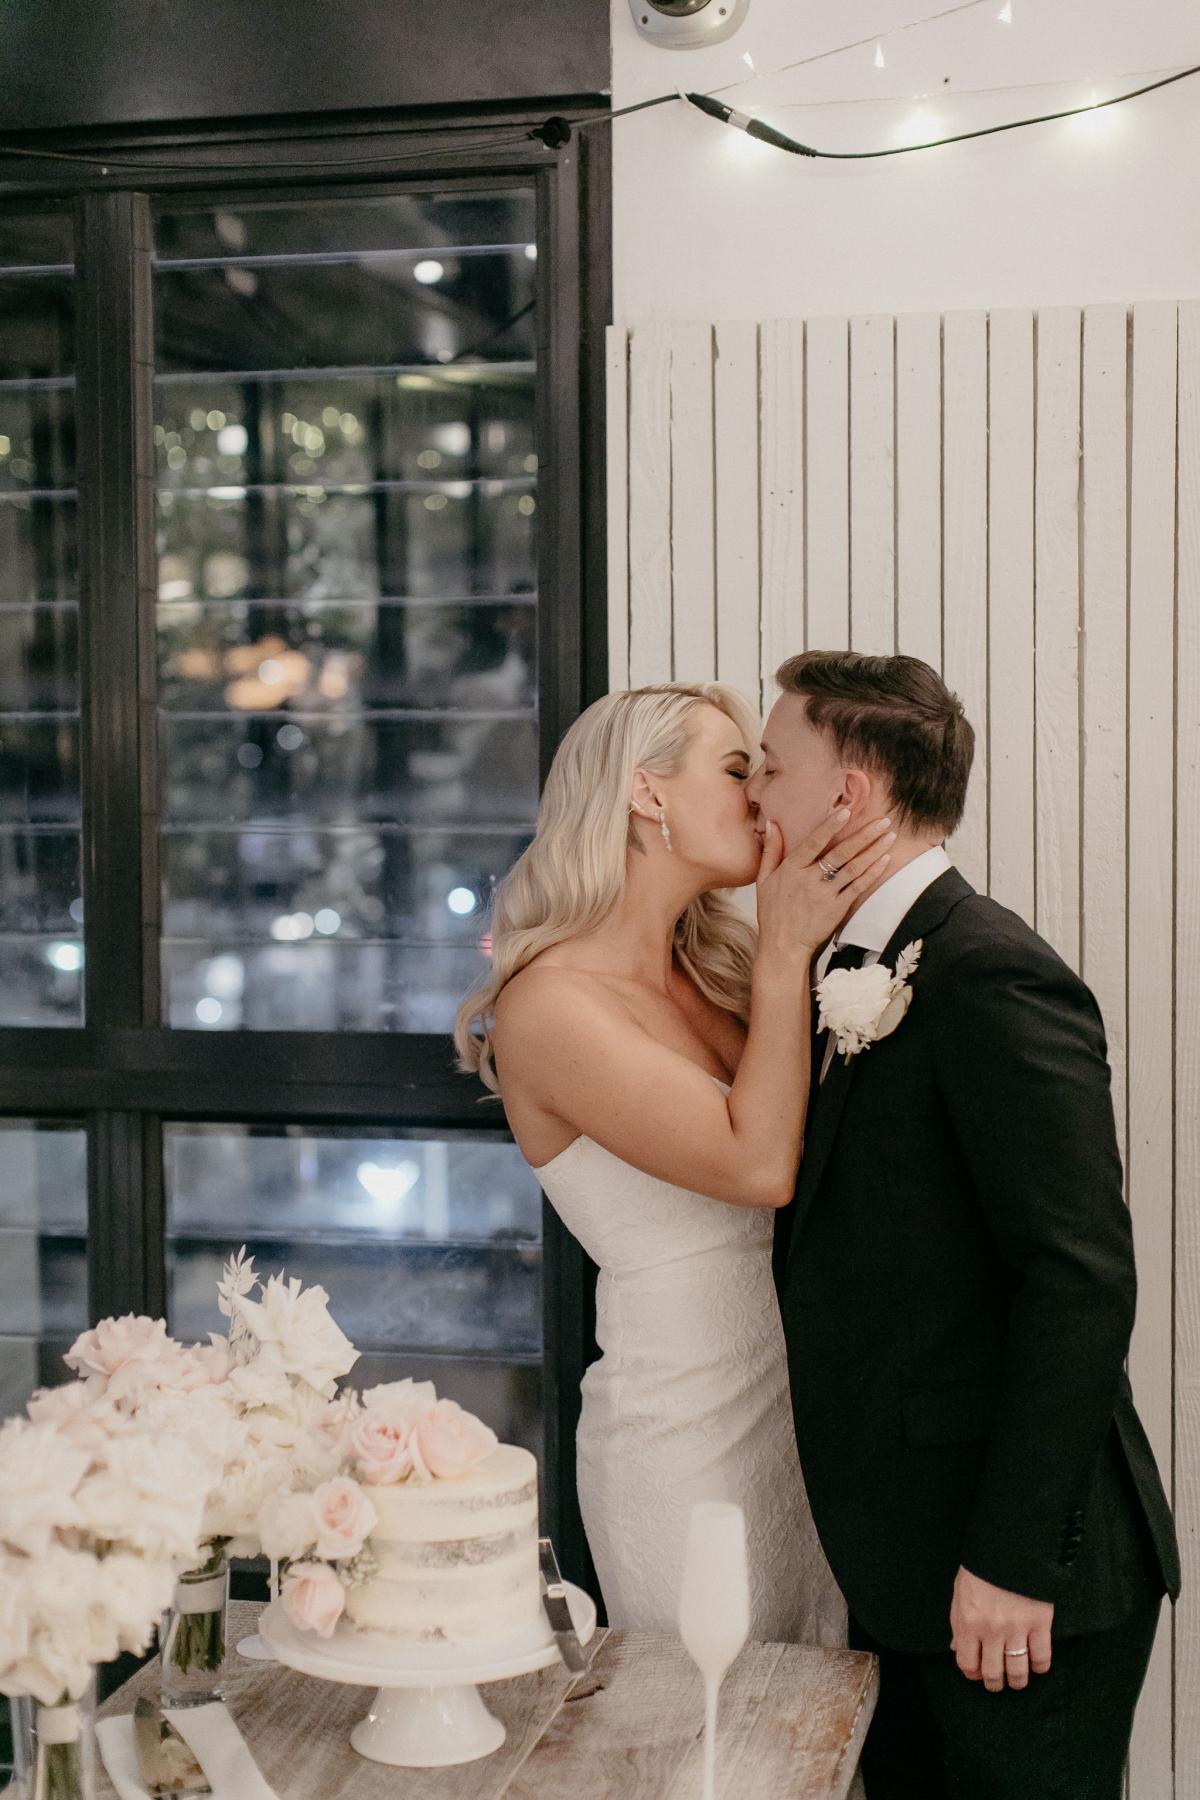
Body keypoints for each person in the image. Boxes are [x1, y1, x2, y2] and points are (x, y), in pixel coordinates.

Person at [751, 649, 1181, 1799]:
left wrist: (1008, 1560)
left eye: (770, 768)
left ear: (849, 793)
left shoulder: (991, 973)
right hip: (905, 1565)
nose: (754, 795)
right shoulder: (851, 962)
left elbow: (1080, 1279)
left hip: (1012, 1582)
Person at [454, 681, 893, 1641]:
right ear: (646, 794)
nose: (759, 797)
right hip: (684, 1436)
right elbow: (760, 1168)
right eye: (739, 769)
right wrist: (785, 946)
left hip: (801, 1416)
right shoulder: (550, 1008)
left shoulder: (711, 975)